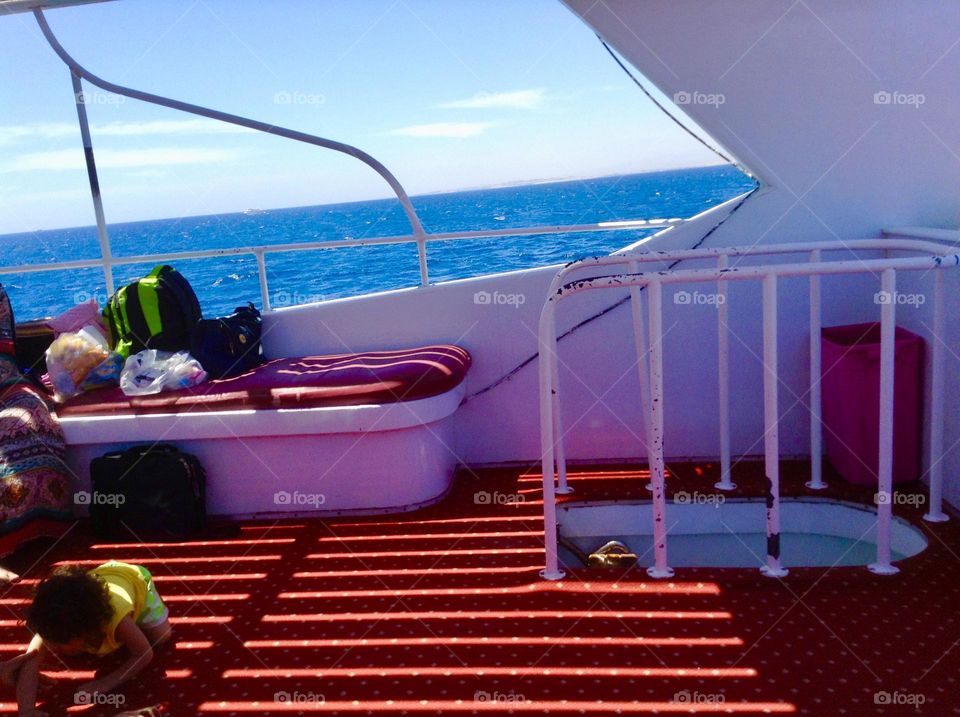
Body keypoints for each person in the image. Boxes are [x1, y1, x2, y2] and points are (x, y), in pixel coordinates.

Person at [4, 561, 171, 716]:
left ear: (89, 630)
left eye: (60, 643)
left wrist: (104, 684)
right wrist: (26, 711)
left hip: (134, 579)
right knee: (70, 651)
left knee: (161, 637)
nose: (52, 647)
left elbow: (144, 653)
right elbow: (30, 663)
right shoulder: (52, 621)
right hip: (99, 579)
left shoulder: (116, 618)